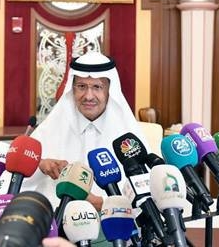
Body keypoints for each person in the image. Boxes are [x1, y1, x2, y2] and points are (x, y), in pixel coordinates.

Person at [21, 51, 150, 211]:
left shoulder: (128, 137)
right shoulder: (50, 128)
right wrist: (39, 166)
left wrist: (106, 205)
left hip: (116, 227)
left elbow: (150, 194)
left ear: (109, 90)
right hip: (56, 225)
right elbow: (16, 180)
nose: (89, 96)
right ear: (72, 90)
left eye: (97, 87)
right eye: (81, 86)